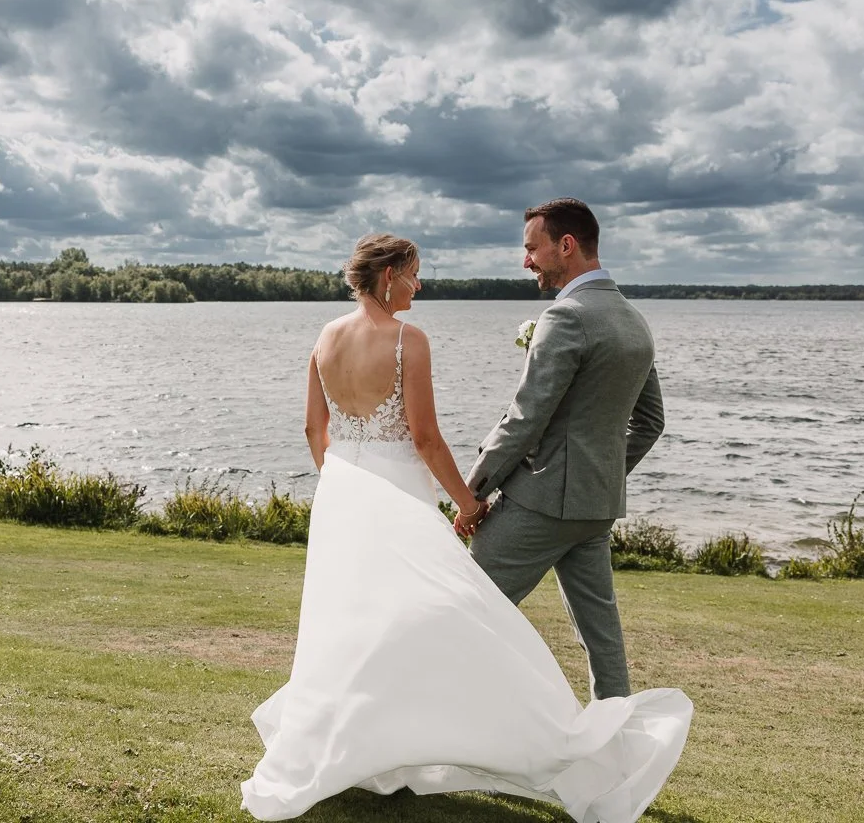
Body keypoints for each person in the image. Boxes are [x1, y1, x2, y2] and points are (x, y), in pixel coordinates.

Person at [240, 232, 691, 823]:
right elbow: (425, 437)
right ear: (386, 277)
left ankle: (359, 739)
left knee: (348, 621)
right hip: (401, 496)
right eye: (413, 275)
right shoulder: (409, 339)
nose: (419, 285)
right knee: (451, 614)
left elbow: (312, 430)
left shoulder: (325, 337)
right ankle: (500, 737)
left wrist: (344, 484)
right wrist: (467, 501)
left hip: (343, 495)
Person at [467, 198, 666, 701]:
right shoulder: (633, 319)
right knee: (602, 639)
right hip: (595, 510)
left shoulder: (567, 317)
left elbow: (525, 418)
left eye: (532, 248)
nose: (526, 261)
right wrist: (598, 473)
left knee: (463, 606)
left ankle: (434, 734)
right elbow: (650, 423)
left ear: (566, 245)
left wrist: (472, 491)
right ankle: (616, 745)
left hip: (541, 506)